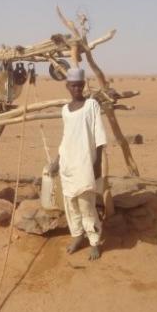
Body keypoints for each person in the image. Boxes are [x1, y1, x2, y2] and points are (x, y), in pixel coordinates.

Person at [49, 67, 108, 260]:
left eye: (80, 85)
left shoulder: (91, 105)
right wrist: (57, 161)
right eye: (73, 85)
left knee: (86, 205)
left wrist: (97, 162)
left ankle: (94, 241)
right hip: (67, 164)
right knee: (71, 204)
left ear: (83, 85)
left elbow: (98, 134)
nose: (77, 89)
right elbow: (66, 137)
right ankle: (77, 236)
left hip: (84, 163)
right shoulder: (65, 110)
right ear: (67, 86)